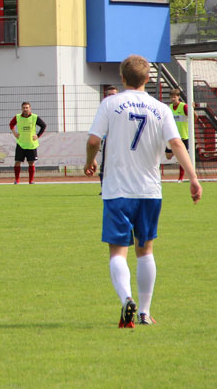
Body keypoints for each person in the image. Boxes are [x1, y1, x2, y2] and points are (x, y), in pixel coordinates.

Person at [83, 55, 202, 328]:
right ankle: (145, 312)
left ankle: (126, 299)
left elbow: (92, 140)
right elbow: (176, 143)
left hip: (117, 190)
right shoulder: (161, 108)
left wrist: (90, 161)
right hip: (149, 191)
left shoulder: (110, 104)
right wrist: (193, 177)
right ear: (148, 79)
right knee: (145, 251)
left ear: (122, 78)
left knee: (117, 253)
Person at [9, 102, 46, 184]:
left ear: (30, 109)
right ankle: (17, 180)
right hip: (21, 144)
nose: (25, 109)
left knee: (31, 162)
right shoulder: (18, 117)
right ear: (21, 109)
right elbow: (11, 124)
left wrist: (38, 135)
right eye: (24, 108)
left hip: (31, 144)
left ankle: (31, 181)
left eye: (27, 108)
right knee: (17, 162)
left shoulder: (34, 117)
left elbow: (43, 125)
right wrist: (14, 133)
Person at [95, 85, 119, 190]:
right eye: (109, 95)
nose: (111, 97)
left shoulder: (122, 108)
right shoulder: (103, 108)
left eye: (113, 95)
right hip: (107, 140)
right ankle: (104, 188)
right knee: (105, 165)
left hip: (120, 141)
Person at [165, 88, 189, 183]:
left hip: (183, 136)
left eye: (174, 97)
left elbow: (194, 116)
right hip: (172, 136)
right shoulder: (169, 108)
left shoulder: (184, 107)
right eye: (171, 97)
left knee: (181, 159)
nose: (173, 99)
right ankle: (176, 152)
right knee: (168, 156)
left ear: (178, 97)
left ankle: (180, 178)